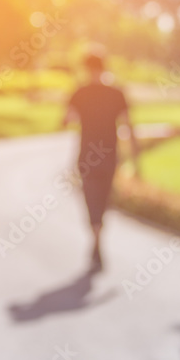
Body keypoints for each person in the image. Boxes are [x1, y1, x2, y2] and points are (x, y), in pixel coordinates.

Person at [62, 54, 140, 271]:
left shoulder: (80, 92)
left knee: (91, 199)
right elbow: (128, 125)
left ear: (86, 69)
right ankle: (98, 237)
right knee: (104, 199)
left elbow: (66, 120)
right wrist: (135, 156)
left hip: (87, 156)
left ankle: (95, 238)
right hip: (109, 156)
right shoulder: (116, 93)